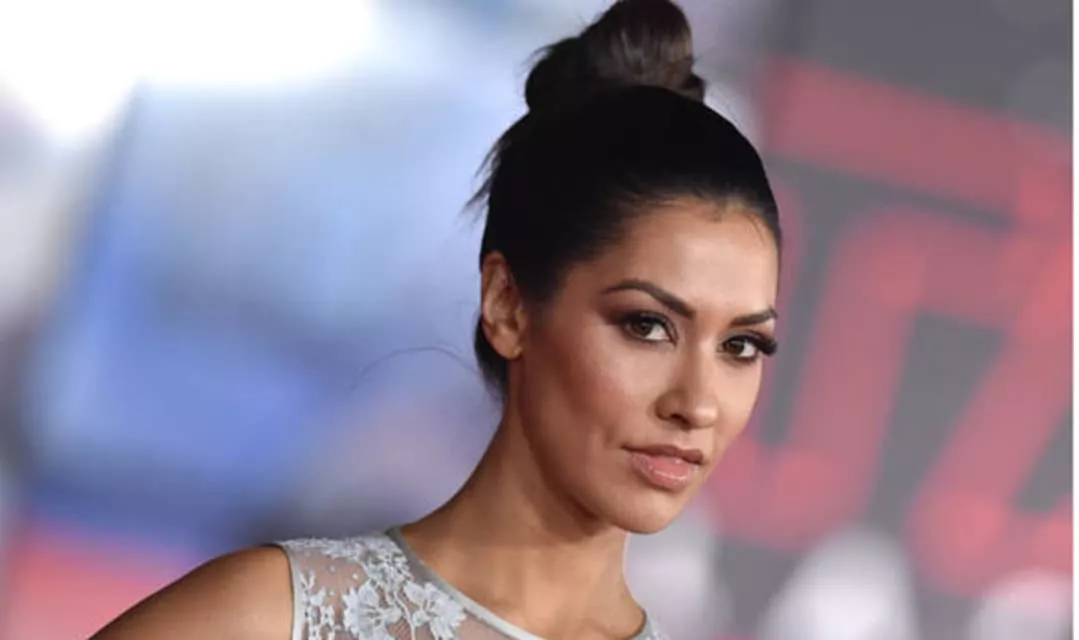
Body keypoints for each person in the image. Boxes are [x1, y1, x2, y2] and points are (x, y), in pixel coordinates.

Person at [91, 0, 781, 638]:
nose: (697, 404)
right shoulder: (267, 618)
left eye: (741, 345)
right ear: (507, 305)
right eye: (647, 326)